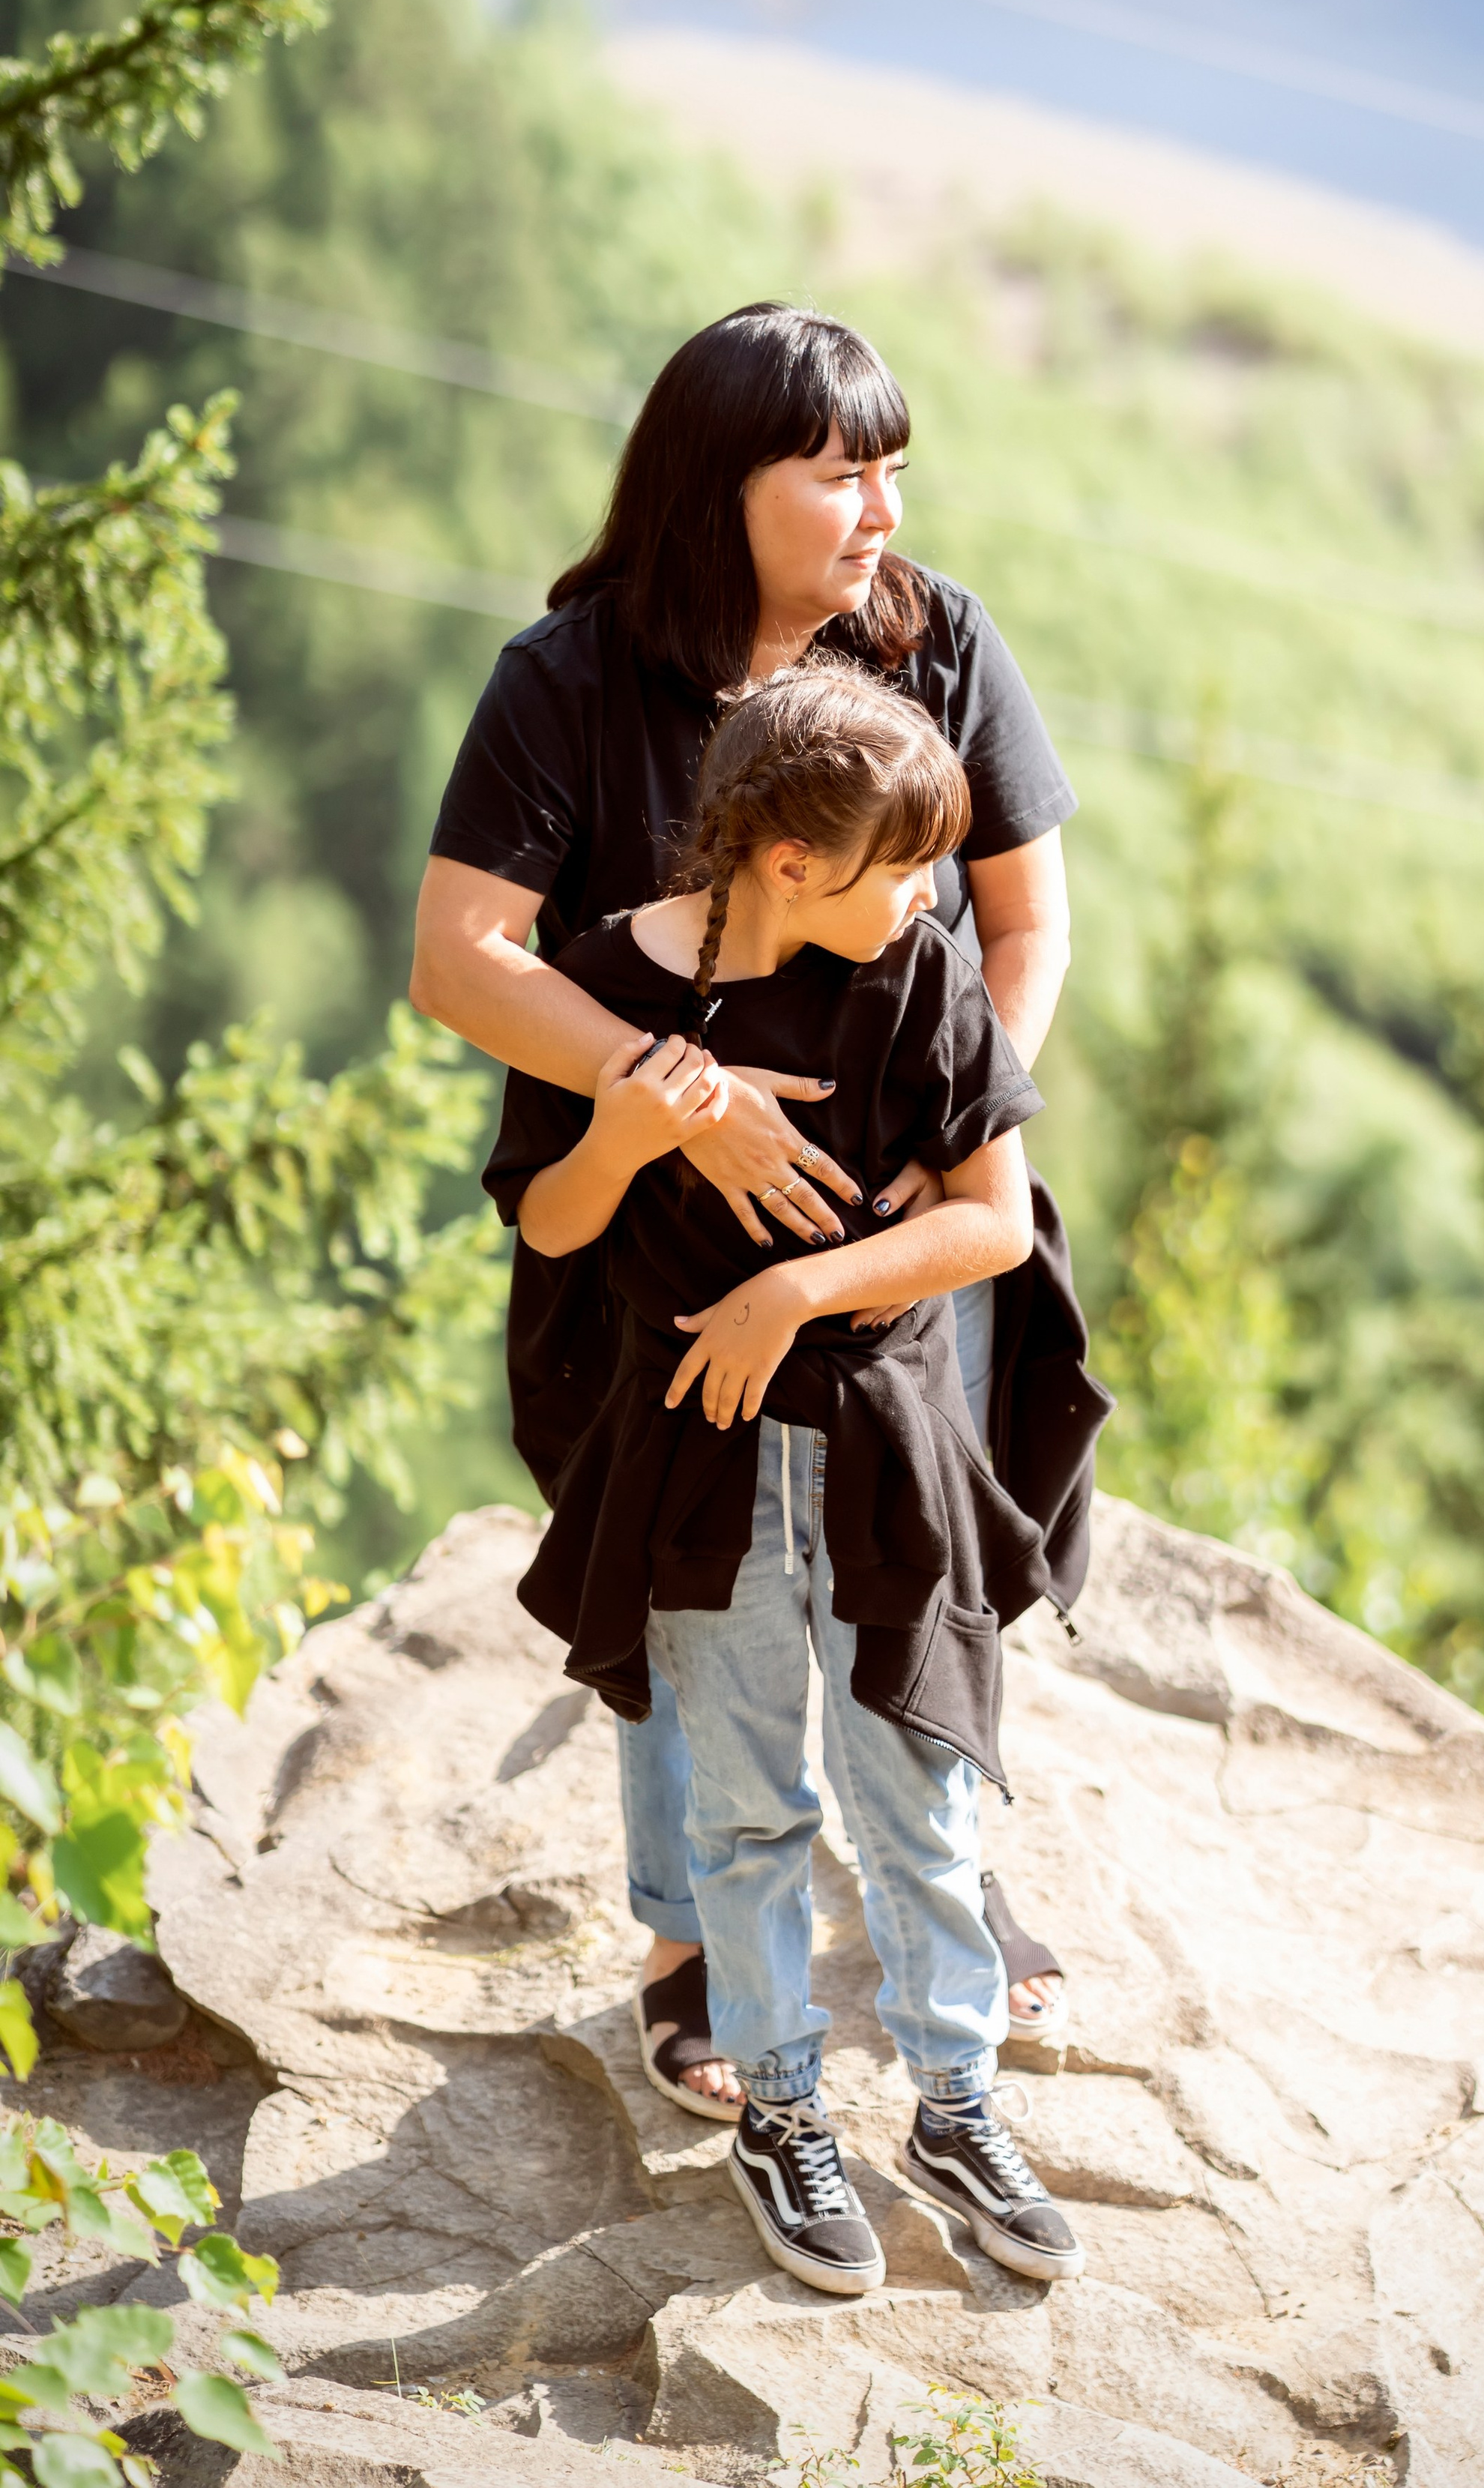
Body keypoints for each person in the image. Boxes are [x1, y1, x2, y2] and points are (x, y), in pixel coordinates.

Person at [412, 304, 1085, 2110]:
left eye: (893, 470)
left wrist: (949, 1101)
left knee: (919, 1541)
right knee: (678, 1570)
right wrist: (670, 1104)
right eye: (842, 473)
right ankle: (693, 1934)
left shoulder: (938, 641)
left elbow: (1023, 924)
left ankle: (939, 1867)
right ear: (724, 490)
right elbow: (458, 960)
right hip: (646, 1234)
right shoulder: (568, 679)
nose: (882, 509)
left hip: (900, 1217)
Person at [483, 666, 1091, 2297]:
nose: (924, 903)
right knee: (743, 1803)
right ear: (787, 864)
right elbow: (547, 1221)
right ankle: (781, 2107)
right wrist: (631, 1126)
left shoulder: (918, 971)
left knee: (922, 1795)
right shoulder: (609, 980)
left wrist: (793, 1294)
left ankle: (953, 2103)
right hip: (698, 1473)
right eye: (900, 870)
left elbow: (993, 1220)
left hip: (891, 1452)